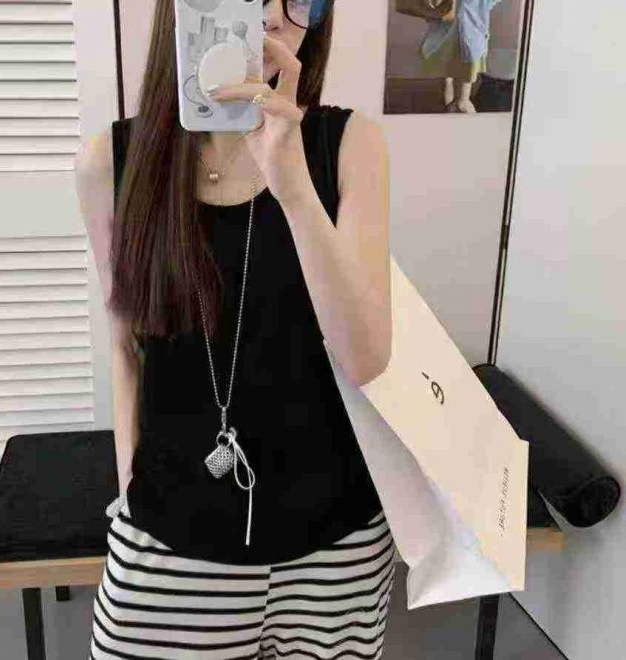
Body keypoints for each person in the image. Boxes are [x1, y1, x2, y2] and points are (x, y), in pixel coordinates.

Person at [76, 1, 394, 657]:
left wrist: (294, 186)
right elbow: (125, 345)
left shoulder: (349, 145)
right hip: (170, 543)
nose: (272, 15)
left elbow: (366, 359)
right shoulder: (112, 161)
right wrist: (130, 492)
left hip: (335, 550)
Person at [420, 0, 504, 113]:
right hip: (466, 39)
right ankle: (459, 117)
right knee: (462, 101)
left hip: (447, 40)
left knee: (448, 85)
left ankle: (450, 115)